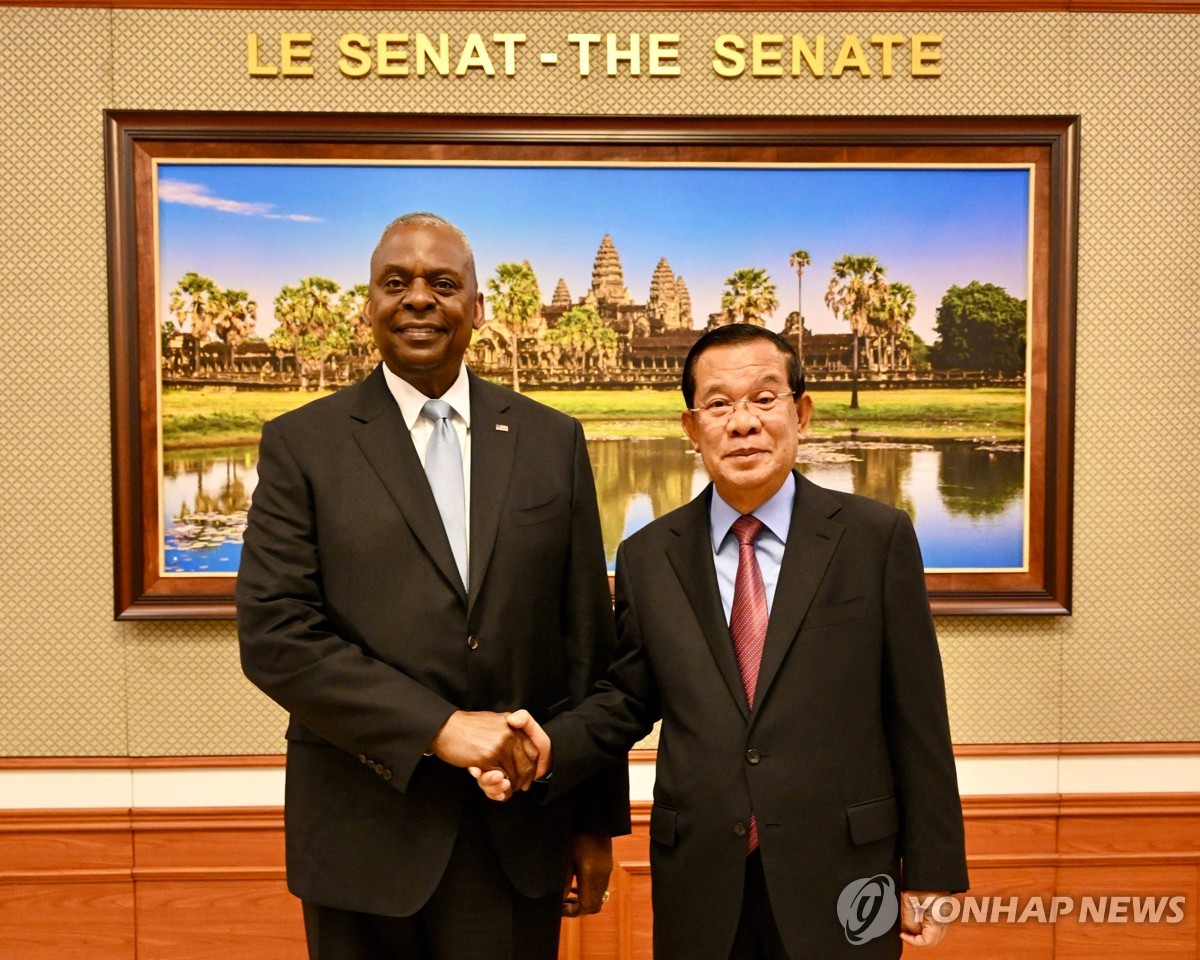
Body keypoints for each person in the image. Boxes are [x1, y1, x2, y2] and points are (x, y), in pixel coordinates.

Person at [475, 324, 969, 959]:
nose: (743, 423)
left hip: (844, 873)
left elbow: (918, 717)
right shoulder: (649, 555)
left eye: (765, 399)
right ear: (691, 429)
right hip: (703, 875)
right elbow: (627, 697)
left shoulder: (875, 539)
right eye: (718, 404)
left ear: (801, 413)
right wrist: (547, 746)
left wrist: (931, 870)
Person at [237, 211, 628, 960]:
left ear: (477, 309)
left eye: (443, 284)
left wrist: (591, 822)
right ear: (368, 306)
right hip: (362, 834)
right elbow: (276, 636)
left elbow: (587, 640)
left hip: (519, 833)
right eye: (397, 282)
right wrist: (442, 729)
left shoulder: (553, 440)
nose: (419, 298)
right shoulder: (303, 444)